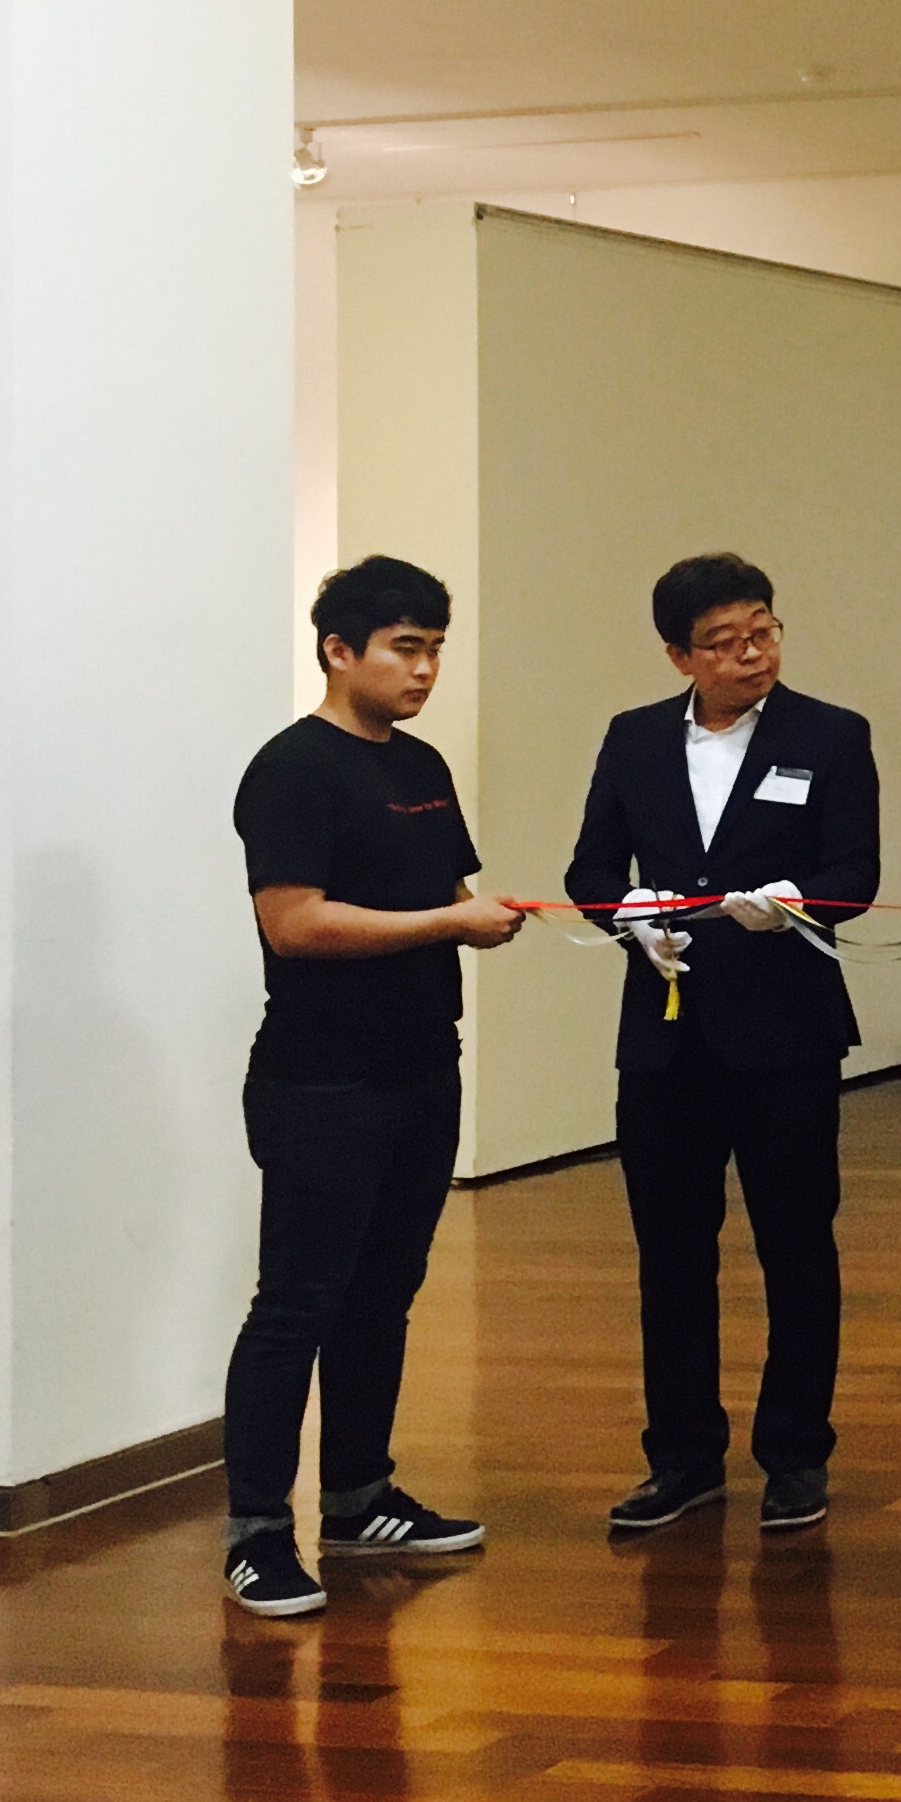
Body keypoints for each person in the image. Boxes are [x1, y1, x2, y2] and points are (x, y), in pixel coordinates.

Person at [218, 558, 528, 1618]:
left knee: (382, 1294)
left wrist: (486, 911)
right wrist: (452, 923)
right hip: (321, 1081)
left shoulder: (423, 764)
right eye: (405, 648)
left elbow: (446, 888)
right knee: (295, 1303)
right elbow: (295, 923)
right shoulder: (292, 770)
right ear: (339, 650)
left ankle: (358, 1497)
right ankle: (258, 1533)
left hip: (420, 1069)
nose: (425, 669)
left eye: (436, 648)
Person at [560, 552, 883, 1537]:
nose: (753, 656)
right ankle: (682, 1455)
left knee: (796, 1244)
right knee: (670, 1253)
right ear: (679, 656)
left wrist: (794, 903)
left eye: (764, 633)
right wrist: (630, 915)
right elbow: (588, 871)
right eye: (726, 643)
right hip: (666, 1034)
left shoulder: (829, 734)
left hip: (785, 1032)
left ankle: (796, 1453)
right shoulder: (634, 739)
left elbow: (855, 874)